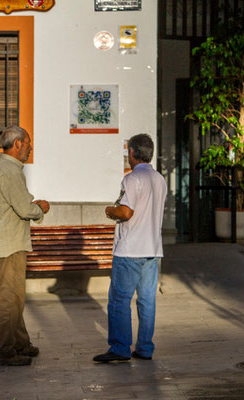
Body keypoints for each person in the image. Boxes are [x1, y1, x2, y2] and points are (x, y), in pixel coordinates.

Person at [93, 133, 167, 363]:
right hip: (152, 249)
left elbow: (126, 212)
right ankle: (145, 347)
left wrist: (109, 210)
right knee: (147, 300)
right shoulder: (159, 179)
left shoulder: (132, 179)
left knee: (119, 300)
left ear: (132, 153)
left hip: (130, 249)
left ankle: (120, 347)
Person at [0, 125, 50, 367]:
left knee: (14, 298)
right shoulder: (10, 171)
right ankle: (2, 352)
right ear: (18, 143)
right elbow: (24, 208)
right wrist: (41, 207)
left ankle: (20, 343)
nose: (31, 148)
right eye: (28, 143)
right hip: (9, 244)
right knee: (7, 301)